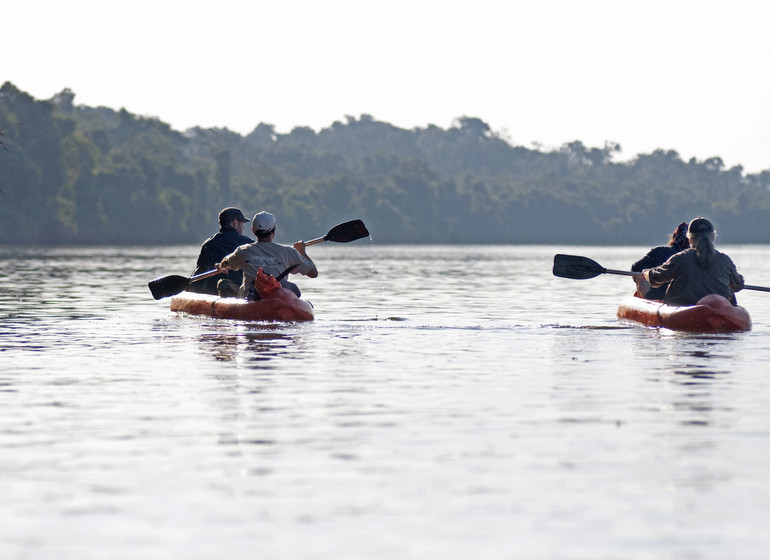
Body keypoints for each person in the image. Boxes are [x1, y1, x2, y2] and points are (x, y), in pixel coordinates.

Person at [642, 217, 745, 306]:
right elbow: (738, 285)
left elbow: (656, 278)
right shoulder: (725, 260)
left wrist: (646, 273)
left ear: (690, 239)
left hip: (685, 311)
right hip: (719, 311)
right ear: (713, 237)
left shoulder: (681, 258)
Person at [216, 211, 318, 299]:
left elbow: (225, 263)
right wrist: (302, 251)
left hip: (250, 299)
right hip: (277, 297)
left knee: (223, 283)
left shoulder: (243, 251)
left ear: (253, 231)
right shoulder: (288, 252)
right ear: (274, 230)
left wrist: (220, 266)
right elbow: (313, 273)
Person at [188, 207, 253, 296]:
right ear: (235, 222)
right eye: (242, 223)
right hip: (240, 292)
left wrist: (189, 286)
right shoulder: (248, 244)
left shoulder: (208, 244)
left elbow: (200, 271)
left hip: (212, 293)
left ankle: (227, 289)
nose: (243, 226)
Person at [631, 221, 690, 299]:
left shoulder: (660, 251)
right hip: (690, 298)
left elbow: (635, 269)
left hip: (659, 297)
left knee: (639, 274)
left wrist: (647, 275)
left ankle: (645, 300)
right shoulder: (700, 255)